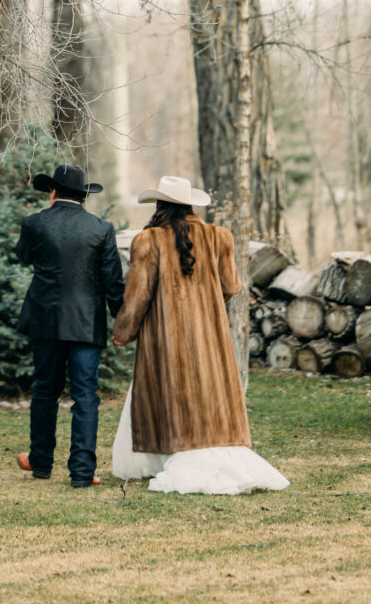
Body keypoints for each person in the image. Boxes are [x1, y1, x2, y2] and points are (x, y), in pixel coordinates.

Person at [111, 175, 289, 495]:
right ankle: (210, 449)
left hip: (163, 335)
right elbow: (232, 286)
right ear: (191, 204)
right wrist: (206, 305)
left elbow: (137, 297)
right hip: (211, 331)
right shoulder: (220, 236)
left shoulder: (148, 240)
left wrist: (124, 330)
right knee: (208, 390)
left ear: (159, 205)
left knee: (170, 391)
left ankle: (170, 454)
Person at [15, 163, 124, 488]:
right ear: (84, 196)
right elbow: (112, 281)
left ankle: (41, 463)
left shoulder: (34, 223)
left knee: (45, 390)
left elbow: (23, 257)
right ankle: (81, 472)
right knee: (85, 395)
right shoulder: (101, 228)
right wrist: (121, 320)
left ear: (53, 192)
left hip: (45, 319)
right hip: (86, 323)